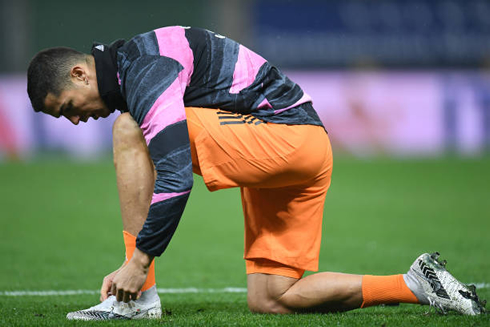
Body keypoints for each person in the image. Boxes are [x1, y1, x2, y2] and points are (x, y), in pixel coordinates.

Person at [27, 26, 486, 320]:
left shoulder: (145, 71)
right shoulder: (136, 65)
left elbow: (175, 176)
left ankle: (139, 298)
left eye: (66, 107)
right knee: (272, 298)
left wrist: (139, 263)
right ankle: (417, 284)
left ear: (80, 74)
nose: (74, 120)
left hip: (287, 139)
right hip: (298, 152)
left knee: (129, 129)